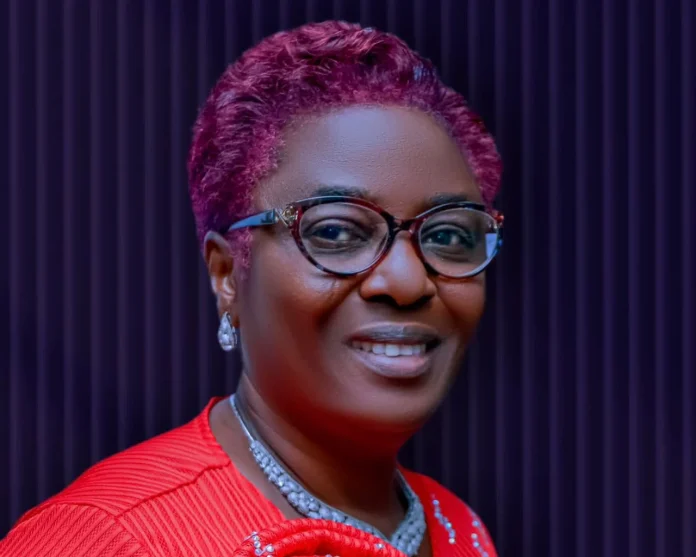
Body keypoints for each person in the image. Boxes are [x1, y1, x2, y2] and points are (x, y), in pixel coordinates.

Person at [0, 21, 502, 557]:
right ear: (227, 274)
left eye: (448, 235)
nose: (406, 281)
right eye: (336, 232)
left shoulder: (458, 528)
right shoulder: (109, 538)